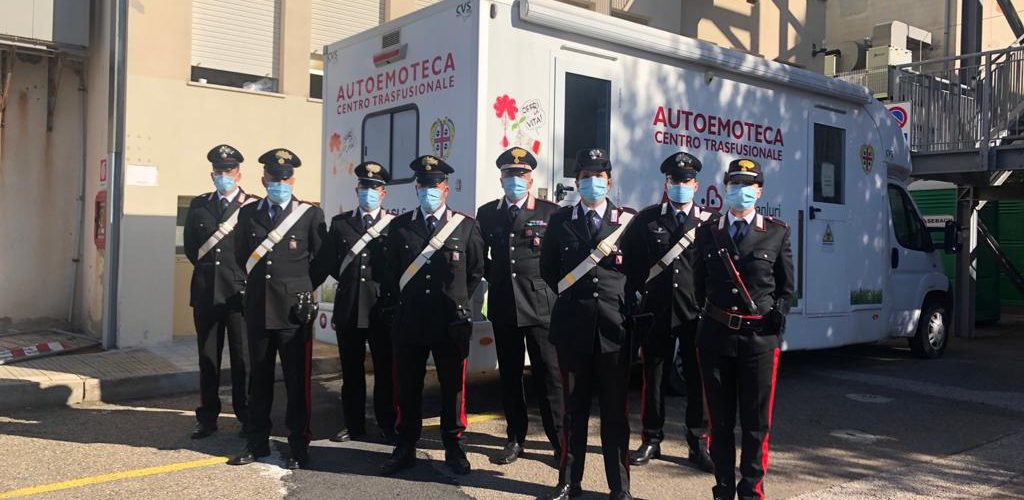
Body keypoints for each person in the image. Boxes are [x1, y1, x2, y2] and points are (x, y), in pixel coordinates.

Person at [539, 148, 638, 500]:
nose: (592, 182)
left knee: (615, 414)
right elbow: (548, 269)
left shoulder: (627, 222)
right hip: (572, 330)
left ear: (609, 181)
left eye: (599, 176)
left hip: (615, 331)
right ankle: (569, 481)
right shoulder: (560, 221)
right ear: (577, 182)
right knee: (573, 411)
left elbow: (638, 273)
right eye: (585, 177)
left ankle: (619, 487)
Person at [693, 158, 794, 500]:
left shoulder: (776, 232)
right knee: (719, 422)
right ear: (725, 189)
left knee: (755, 424)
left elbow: (786, 288)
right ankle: (722, 488)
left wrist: (779, 312)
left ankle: (751, 490)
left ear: (759, 191)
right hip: (716, 338)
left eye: (747, 185)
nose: (740, 191)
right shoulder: (708, 232)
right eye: (734, 184)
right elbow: (697, 285)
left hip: (758, 340)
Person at [378, 155, 485, 477]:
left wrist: (457, 302)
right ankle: (406, 446)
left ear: (446, 188)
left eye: (434, 185)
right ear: (416, 188)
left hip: (449, 322)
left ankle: (453, 446)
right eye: (423, 185)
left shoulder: (465, 226)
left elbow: (475, 272)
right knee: (407, 387)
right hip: (410, 320)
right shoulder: (400, 227)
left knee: (453, 389)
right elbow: (389, 273)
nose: (429, 190)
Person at [227, 148, 327, 470]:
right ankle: (256, 443)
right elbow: (241, 254)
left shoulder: (310, 215)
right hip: (257, 309)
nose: (279, 182)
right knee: (259, 380)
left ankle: (299, 445)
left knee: (297, 382)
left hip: (292, 314)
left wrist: (301, 290)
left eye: (285, 178)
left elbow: (323, 259)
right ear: (264, 179)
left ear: (293, 179)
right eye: (274, 178)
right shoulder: (248, 213)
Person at [620, 152, 716, 471]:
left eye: (686, 180)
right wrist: (640, 295)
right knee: (654, 376)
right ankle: (651, 438)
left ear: (696, 184)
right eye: (675, 180)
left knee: (697, 379)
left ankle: (698, 442)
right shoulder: (647, 220)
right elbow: (630, 262)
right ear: (667, 183)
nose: (681, 185)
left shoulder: (709, 224)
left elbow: (718, 270)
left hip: (694, 313)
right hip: (657, 311)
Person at [475, 147, 563, 466]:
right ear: (501, 179)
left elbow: (559, 260)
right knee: (510, 376)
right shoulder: (487, 214)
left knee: (548, 376)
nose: (515, 180)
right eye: (509, 175)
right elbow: (478, 258)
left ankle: (559, 441)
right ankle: (515, 438)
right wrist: (497, 278)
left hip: (540, 306)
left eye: (521, 174)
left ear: (530, 177)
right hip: (503, 305)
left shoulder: (550, 212)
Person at [312, 161, 399, 444]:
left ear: (383, 193)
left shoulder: (395, 225)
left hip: (381, 308)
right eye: (364, 187)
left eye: (374, 188)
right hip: (349, 306)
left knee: (385, 370)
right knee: (351, 371)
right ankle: (353, 424)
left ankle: (387, 423)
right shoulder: (340, 224)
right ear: (357, 189)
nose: (369, 192)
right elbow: (328, 264)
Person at [183, 144, 257, 440]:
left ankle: (246, 415)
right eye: (218, 171)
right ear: (212, 173)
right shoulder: (199, 205)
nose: (223, 175)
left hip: (238, 295)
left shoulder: (252, 206)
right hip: (205, 292)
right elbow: (191, 248)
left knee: (242, 360)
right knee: (208, 358)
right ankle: (208, 416)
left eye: (228, 171)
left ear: (238, 173)